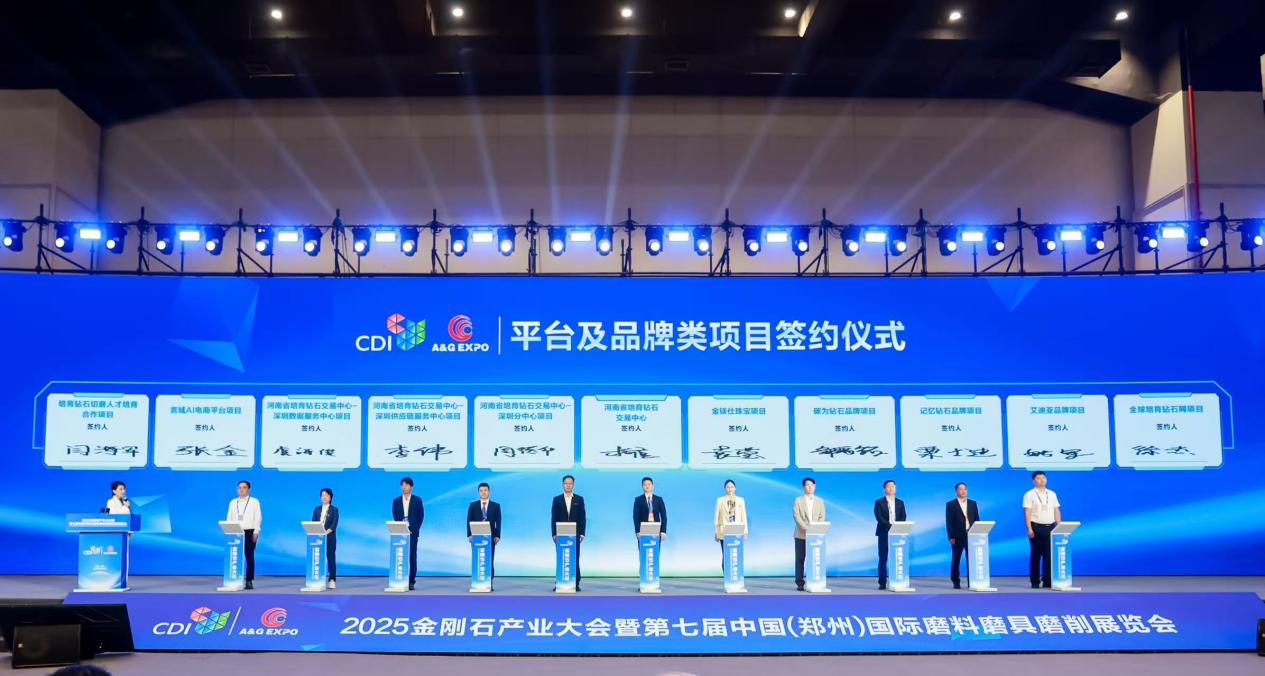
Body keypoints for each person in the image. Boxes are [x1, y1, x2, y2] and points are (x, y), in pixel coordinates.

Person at [1023, 470, 1061, 589]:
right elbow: (1027, 512)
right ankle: (1034, 581)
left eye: (1044, 478)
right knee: (1036, 555)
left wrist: (1059, 526)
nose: (1042, 480)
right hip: (1036, 526)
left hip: (1051, 526)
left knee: (1049, 555)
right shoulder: (1029, 494)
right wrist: (1029, 528)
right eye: (1038, 478)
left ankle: (1047, 580)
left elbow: (1056, 510)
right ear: (1033, 481)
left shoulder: (1052, 494)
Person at [551, 474, 586, 591]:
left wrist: (582, 533)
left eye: (570, 483)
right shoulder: (557, 499)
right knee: (561, 557)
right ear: (562, 485)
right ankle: (559, 582)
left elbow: (582, 517)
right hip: (561, 534)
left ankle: (575, 583)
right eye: (566, 483)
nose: (568, 485)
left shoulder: (579, 499)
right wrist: (554, 533)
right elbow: (553, 517)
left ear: (573, 485)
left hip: (575, 534)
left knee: (575, 557)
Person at [466, 482, 502, 589]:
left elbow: (498, 522)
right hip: (476, 537)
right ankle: (477, 581)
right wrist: (469, 535)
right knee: (477, 559)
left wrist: (498, 535)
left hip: (491, 537)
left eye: (485, 490)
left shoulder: (496, 506)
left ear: (489, 491)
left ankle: (489, 582)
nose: (483, 492)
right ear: (478, 492)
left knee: (489, 559)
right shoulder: (473, 505)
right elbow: (469, 520)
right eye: (481, 491)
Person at [227, 480, 261, 589]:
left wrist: (256, 531)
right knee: (234, 556)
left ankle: (249, 580)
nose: (241, 490)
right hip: (235, 531)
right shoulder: (233, 502)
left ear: (248, 489)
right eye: (239, 487)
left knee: (249, 556)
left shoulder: (254, 501)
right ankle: (234, 579)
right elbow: (229, 517)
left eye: (244, 487)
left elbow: (258, 517)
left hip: (249, 531)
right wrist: (229, 530)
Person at [391, 477, 425, 590]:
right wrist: (400, 528)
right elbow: (395, 515)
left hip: (413, 532)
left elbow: (421, 516)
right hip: (400, 532)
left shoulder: (417, 500)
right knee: (400, 556)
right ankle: (400, 579)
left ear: (411, 486)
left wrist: (414, 529)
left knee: (412, 556)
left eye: (406, 485)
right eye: (402, 485)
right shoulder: (396, 501)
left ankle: (411, 581)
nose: (404, 487)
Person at [945, 482, 980, 589]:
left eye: (965, 489)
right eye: (961, 489)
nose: (963, 491)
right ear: (956, 491)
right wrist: (951, 536)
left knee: (972, 559)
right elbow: (949, 522)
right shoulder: (951, 504)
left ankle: (972, 581)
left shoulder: (973, 503)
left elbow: (977, 519)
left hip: (971, 535)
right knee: (956, 559)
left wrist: (978, 532)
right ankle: (956, 581)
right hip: (957, 536)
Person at [792, 476, 825, 591]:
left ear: (814, 487)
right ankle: (800, 583)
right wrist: (807, 529)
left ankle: (814, 581)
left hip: (815, 535)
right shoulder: (798, 500)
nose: (810, 487)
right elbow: (797, 517)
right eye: (807, 485)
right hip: (801, 534)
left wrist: (815, 529)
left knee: (814, 559)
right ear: (803, 487)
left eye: (812, 485)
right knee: (800, 559)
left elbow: (821, 516)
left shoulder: (820, 501)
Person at [873, 479, 906, 590]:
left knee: (897, 558)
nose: (891, 488)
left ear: (895, 488)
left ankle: (897, 581)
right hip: (884, 533)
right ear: (884, 489)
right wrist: (890, 527)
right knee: (883, 558)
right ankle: (882, 582)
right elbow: (879, 517)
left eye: (893, 486)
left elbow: (903, 516)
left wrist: (897, 528)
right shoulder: (879, 502)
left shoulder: (900, 502)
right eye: (888, 486)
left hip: (897, 533)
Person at [713, 479, 748, 573]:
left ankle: (736, 577)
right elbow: (716, 517)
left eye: (732, 487)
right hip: (724, 532)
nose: (730, 489)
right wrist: (716, 532)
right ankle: (727, 576)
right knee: (726, 555)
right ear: (725, 488)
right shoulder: (720, 500)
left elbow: (743, 516)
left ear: (735, 488)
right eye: (728, 487)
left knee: (736, 555)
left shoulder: (740, 500)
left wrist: (745, 532)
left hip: (737, 531)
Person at [312, 487, 339, 589]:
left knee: (331, 558)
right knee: (317, 559)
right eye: (322, 495)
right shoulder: (317, 509)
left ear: (330, 497)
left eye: (326, 495)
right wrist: (317, 533)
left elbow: (334, 524)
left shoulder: (334, 510)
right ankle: (317, 579)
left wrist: (325, 533)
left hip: (329, 538)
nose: (324, 497)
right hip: (318, 539)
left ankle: (332, 579)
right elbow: (313, 522)